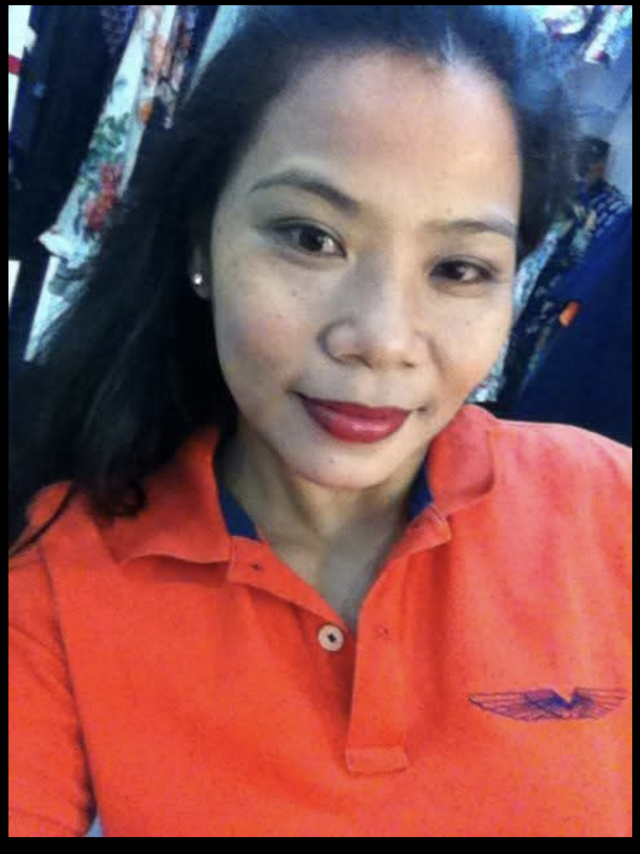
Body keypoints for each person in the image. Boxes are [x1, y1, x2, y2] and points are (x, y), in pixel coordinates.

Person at [9, 6, 631, 838]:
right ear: (200, 242)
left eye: (458, 268)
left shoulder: (608, 508)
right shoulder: (61, 575)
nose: (380, 338)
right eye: (311, 237)